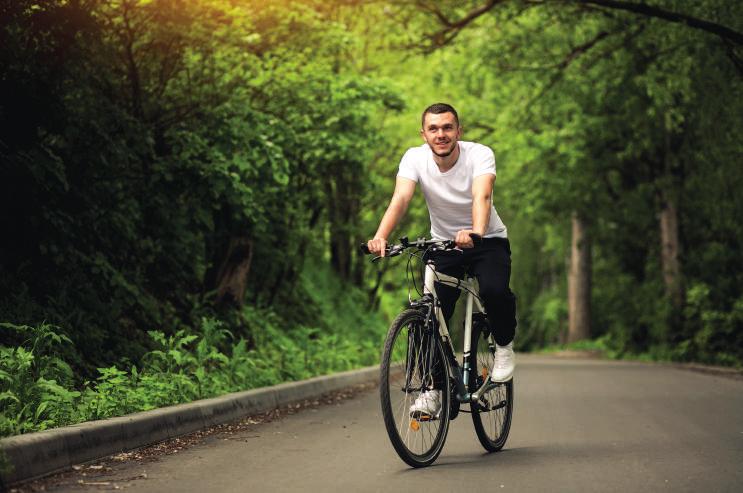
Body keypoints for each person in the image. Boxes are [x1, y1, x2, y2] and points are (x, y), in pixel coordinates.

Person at [366, 103, 517, 418]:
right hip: (443, 243)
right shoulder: (415, 158)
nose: (441, 134)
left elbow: (482, 196)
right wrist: (380, 236)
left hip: (486, 240)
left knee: (494, 291)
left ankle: (503, 347)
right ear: (424, 134)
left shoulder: (479, 154)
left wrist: (475, 232)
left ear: (458, 131)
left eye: (447, 127)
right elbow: (402, 198)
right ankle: (432, 389)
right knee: (427, 316)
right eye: (433, 129)